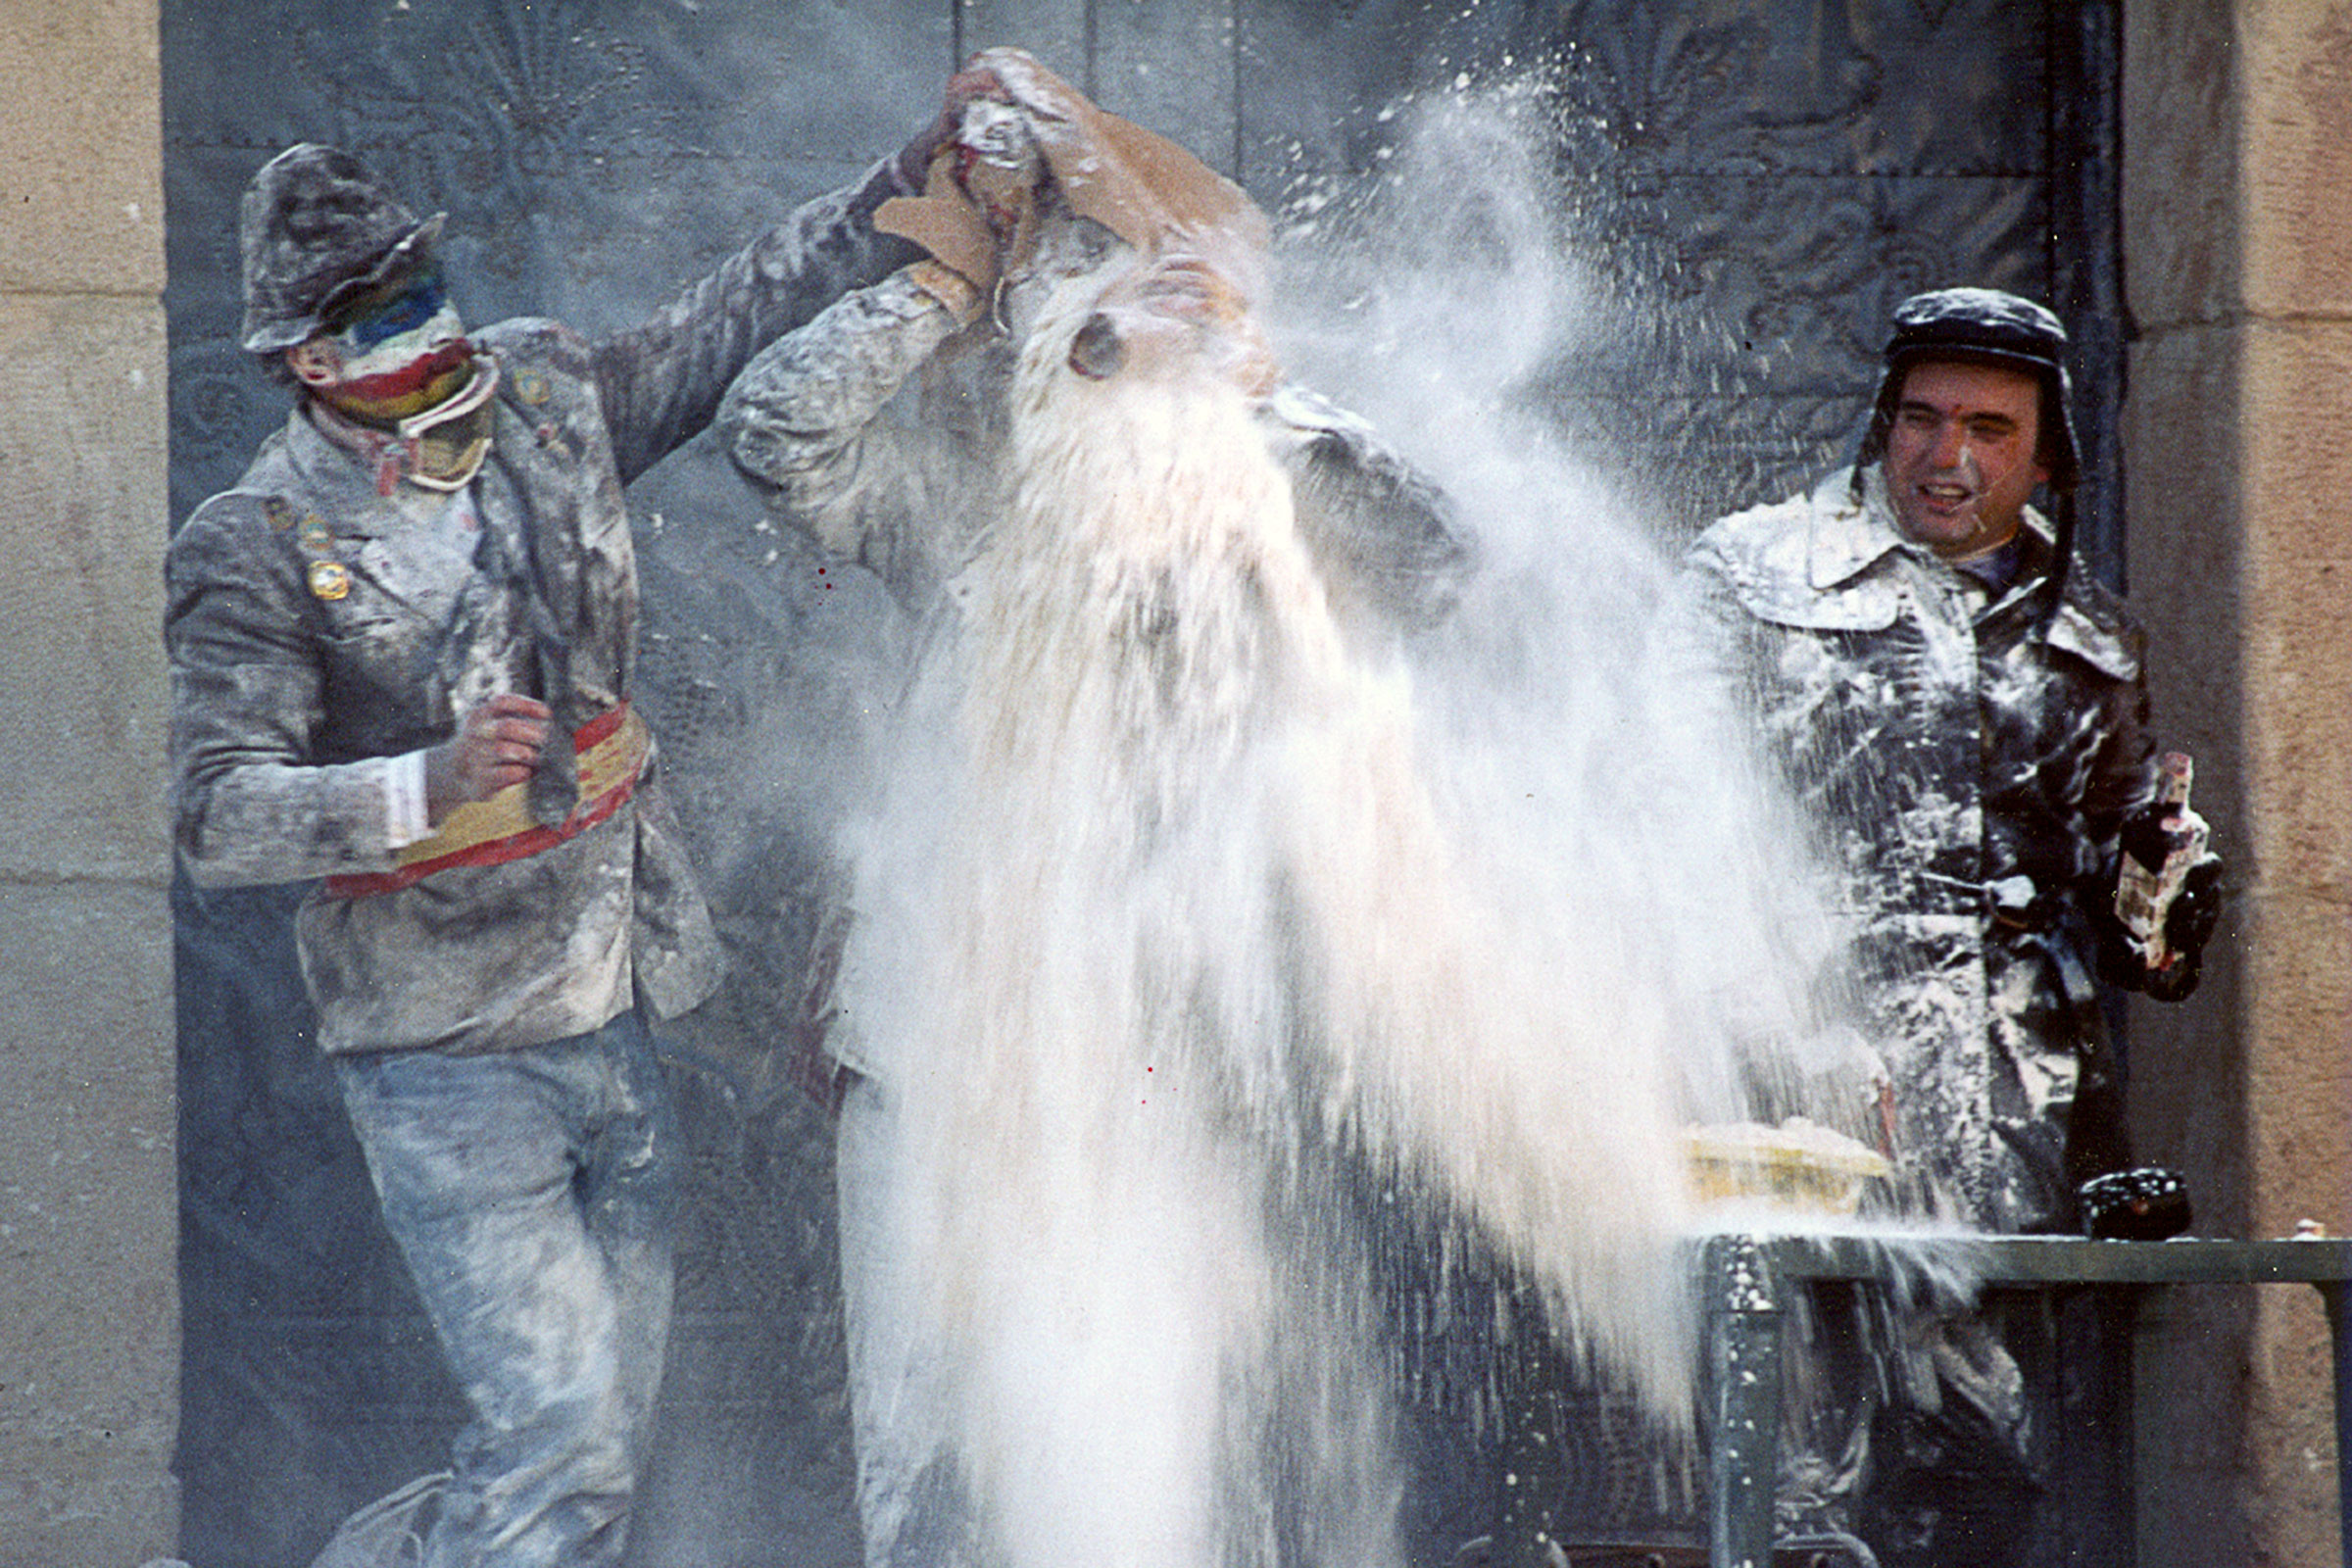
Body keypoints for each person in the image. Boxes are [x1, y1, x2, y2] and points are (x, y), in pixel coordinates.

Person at [714, 50, 1479, 1568]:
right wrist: (947, 284)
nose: (1090, 350)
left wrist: (1242, 367)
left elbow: (1436, 551)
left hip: (1145, 1064)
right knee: (925, 1466)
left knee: (1131, 1467)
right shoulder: (958, 520)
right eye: (1066, 323)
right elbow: (772, 431)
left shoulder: (1249, 518)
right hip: (931, 1048)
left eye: (1108, 307)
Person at [164, 112, 958, 1568]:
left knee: (576, 1461)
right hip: (446, 1051)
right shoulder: (255, 540)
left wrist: (903, 179)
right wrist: (425, 781)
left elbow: (729, 324)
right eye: (378, 315)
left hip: (617, 997)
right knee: (560, 1457)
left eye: (421, 286)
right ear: (307, 362)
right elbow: (218, 814)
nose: (425, 326)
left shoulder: (539, 391)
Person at [1680, 287, 2223, 1566]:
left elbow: (2140, 929)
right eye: (1922, 420)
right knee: (1795, 1482)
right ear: (1882, 427)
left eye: (1988, 428)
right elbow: (1657, 819)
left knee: (1984, 1478)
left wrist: (2164, 879)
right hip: (1794, 1104)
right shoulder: (1753, 577)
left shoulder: (2088, 640)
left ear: (2043, 458)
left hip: (2010, 1129)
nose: (1948, 456)